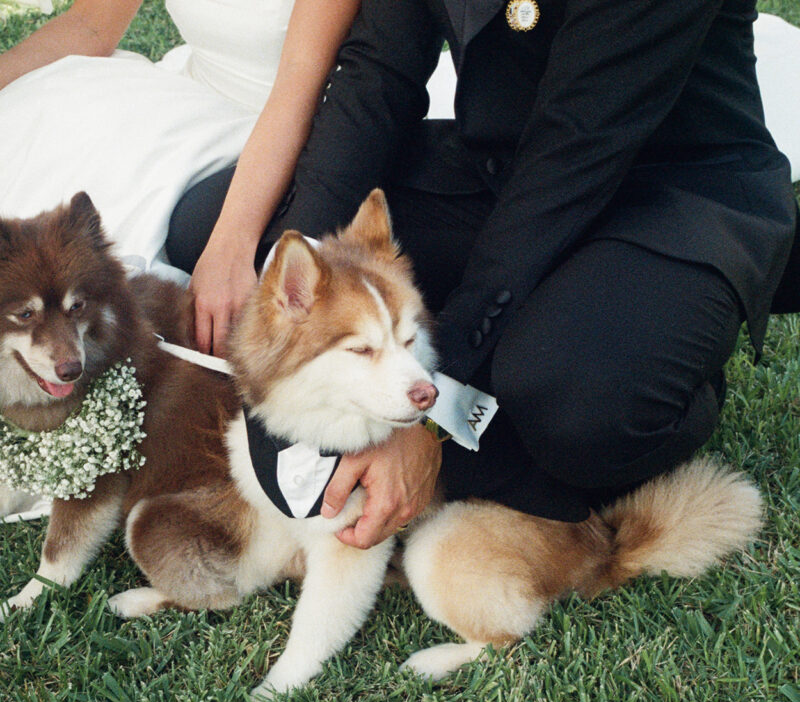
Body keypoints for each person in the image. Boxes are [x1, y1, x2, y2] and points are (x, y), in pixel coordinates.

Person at [166, 0, 800, 549]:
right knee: (215, 228)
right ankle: (526, 351)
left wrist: (435, 412)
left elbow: (576, 149)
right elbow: (376, 75)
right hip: (498, 172)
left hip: (661, 194)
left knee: (574, 405)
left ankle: (669, 361)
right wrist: (287, 266)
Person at [0, 0, 361, 515]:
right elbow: (88, 27)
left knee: (111, 218)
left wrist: (230, 244)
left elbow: (298, 89)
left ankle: (44, 432)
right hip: (184, 91)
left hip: (285, 119)